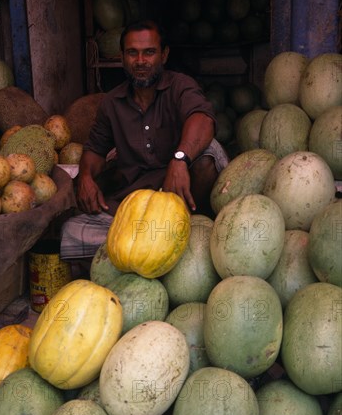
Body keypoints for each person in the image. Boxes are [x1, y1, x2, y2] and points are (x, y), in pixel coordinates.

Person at [60, 19, 229, 262]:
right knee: (71, 232)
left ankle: (183, 237)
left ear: (164, 54)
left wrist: (180, 159)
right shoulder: (111, 103)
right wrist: (85, 177)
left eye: (149, 52)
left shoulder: (180, 86)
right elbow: (94, 151)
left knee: (208, 155)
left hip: (181, 203)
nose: (141, 62)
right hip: (135, 207)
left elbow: (203, 120)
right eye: (132, 53)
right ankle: (147, 248)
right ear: (122, 57)